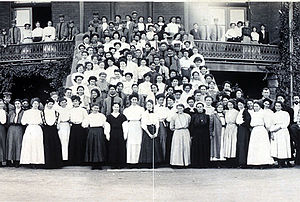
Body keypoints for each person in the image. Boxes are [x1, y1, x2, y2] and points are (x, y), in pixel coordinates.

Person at [247, 102, 274, 167]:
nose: (255, 108)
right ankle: (255, 162)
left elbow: (267, 124)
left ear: (260, 106)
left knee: (262, 146)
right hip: (254, 131)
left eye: (257, 106)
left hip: (261, 130)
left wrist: (268, 131)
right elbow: (251, 123)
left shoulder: (263, 113)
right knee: (255, 146)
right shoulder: (253, 114)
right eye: (254, 106)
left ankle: (264, 162)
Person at [20, 98, 45, 167]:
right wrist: (29, 122)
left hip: (37, 129)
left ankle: (37, 161)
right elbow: (23, 122)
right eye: (34, 103)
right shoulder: (27, 112)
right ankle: (29, 161)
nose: (36, 105)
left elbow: (43, 121)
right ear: (32, 104)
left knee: (37, 145)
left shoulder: (41, 112)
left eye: (37, 103)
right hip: (30, 129)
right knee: (29, 145)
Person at [83, 104, 108, 170]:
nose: (96, 109)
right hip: (92, 131)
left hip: (99, 131)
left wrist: (105, 132)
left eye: (97, 108)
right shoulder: (89, 116)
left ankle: (100, 164)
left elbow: (105, 124)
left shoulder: (102, 116)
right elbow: (84, 124)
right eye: (94, 108)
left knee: (99, 147)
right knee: (92, 147)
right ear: (92, 108)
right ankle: (93, 164)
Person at [139, 100, 163, 166]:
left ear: (152, 105)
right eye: (148, 105)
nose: (149, 106)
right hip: (147, 130)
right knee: (147, 146)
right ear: (146, 106)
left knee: (155, 146)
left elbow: (157, 123)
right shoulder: (144, 114)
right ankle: (147, 162)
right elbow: (143, 124)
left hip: (154, 129)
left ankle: (155, 162)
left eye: (150, 105)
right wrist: (149, 134)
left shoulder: (155, 113)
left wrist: (156, 133)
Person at [123, 93, 145, 166]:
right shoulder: (127, 110)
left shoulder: (141, 109)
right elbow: (125, 120)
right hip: (130, 125)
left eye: (135, 99)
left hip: (138, 126)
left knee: (138, 142)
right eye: (133, 99)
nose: (134, 101)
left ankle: (138, 161)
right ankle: (130, 161)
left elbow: (142, 119)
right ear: (130, 100)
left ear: (138, 100)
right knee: (130, 142)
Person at [41, 99, 62, 168]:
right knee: (47, 145)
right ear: (46, 104)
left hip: (54, 130)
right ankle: (47, 163)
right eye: (49, 104)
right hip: (46, 130)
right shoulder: (42, 112)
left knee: (55, 145)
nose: (50, 105)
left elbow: (58, 122)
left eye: (52, 104)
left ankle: (56, 164)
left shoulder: (56, 112)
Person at [270, 101, 292, 167]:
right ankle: (279, 162)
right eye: (276, 106)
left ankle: (284, 161)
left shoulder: (285, 113)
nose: (277, 107)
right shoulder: (273, 114)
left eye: (279, 106)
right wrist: (272, 132)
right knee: (277, 147)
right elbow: (272, 124)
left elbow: (286, 123)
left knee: (283, 146)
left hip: (282, 131)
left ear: (281, 106)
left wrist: (278, 128)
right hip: (275, 131)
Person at [68, 95, 88, 165]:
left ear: (79, 102)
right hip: (73, 127)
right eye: (74, 101)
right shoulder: (70, 110)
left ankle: (81, 161)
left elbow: (86, 118)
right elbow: (69, 118)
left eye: (76, 101)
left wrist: (83, 124)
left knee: (81, 143)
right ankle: (73, 161)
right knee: (74, 143)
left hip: (81, 127)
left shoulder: (83, 110)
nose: (75, 103)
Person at [107, 103, 128, 168]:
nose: (116, 108)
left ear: (119, 108)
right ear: (112, 107)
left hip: (120, 133)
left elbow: (125, 127)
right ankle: (113, 164)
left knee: (120, 148)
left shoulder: (122, 116)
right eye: (115, 107)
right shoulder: (109, 117)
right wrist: (107, 135)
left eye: (117, 107)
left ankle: (120, 164)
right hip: (112, 133)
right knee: (112, 148)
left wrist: (125, 135)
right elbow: (107, 127)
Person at [190, 102, 210, 168]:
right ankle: (196, 164)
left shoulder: (206, 116)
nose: (199, 108)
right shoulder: (193, 116)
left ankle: (204, 164)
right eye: (198, 107)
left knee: (204, 148)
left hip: (204, 134)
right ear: (196, 108)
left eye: (200, 107)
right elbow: (192, 126)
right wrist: (192, 135)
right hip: (196, 134)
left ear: (203, 107)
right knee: (196, 148)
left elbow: (208, 126)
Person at [6, 99, 24, 167]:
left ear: (21, 104)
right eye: (16, 103)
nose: (17, 105)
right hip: (11, 128)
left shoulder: (23, 112)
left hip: (19, 128)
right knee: (10, 143)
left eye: (18, 103)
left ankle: (17, 160)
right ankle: (9, 160)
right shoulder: (11, 112)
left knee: (18, 143)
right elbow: (7, 121)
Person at [236, 98, 251, 168]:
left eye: (241, 105)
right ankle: (240, 162)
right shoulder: (240, 111)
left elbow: (247, 120)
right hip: (240, 128)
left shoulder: (245, 111)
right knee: (240, 144)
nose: (240, 106)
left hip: (243, 129)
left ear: (244, 105)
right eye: (238, 105)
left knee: (243, 144)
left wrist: (242, 125)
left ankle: (243, 162)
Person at [223, 100, 238, 167]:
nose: (230, 106)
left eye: (231, 104)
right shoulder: (226, 112)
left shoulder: (236, 112)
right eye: (229, 104)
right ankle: (228, 160)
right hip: (228, 127)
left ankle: (233, 160)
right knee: (228, 143)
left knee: (233, 143)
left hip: (233, 127)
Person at [56, 97, 71, 162]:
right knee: (62, 140)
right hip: (61, 125)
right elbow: (57, 119)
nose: (64, 104)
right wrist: (58, 125)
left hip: (67, 125)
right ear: (59, 103)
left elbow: (70, 118)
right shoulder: (58, 110)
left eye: (65, 102)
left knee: (67, 140)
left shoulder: (68, 109)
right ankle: (61, 157)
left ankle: (66, 158)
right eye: (62, 102)